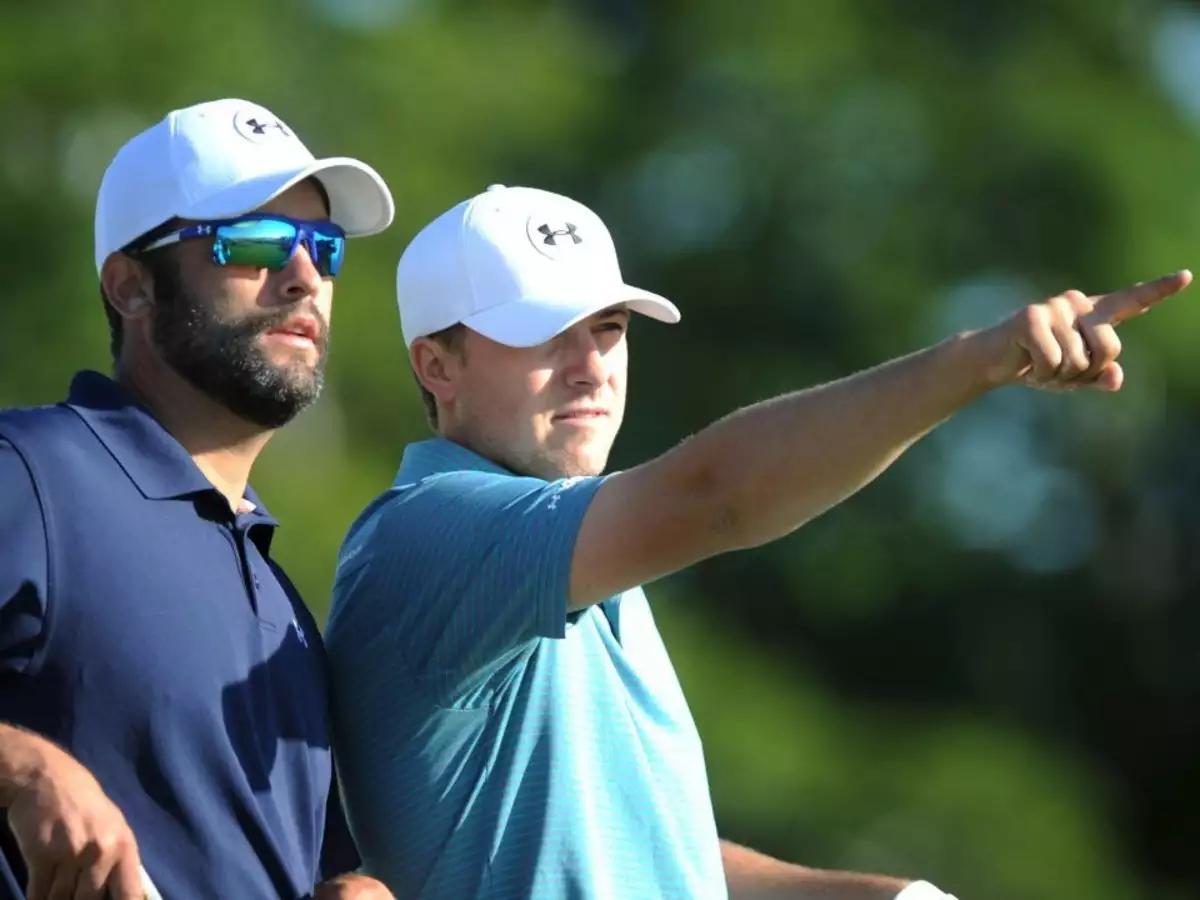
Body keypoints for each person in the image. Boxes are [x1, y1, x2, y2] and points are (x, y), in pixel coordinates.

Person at [324, 184, 1190, 899]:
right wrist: (977, 361)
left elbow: (657, 856)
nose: (592, 366)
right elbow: (720, 496)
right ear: (436, 366)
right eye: (545, 335)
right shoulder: (430, 534)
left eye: (608, 330)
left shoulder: (575, 550)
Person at [0, 99, 398, 900]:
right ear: (131, 287)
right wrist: (22, 768)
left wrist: (351, 888)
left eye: (324, 247)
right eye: (254, 241)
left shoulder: (285, 604)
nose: (305, 276)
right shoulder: (35, 468)